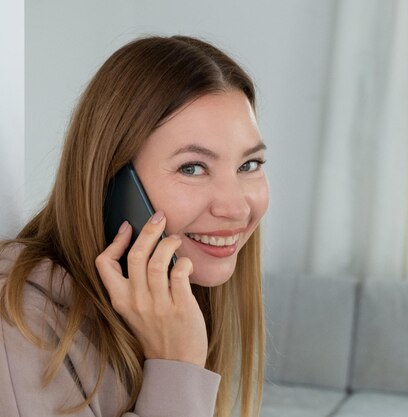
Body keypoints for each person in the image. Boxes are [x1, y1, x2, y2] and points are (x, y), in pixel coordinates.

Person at [0, 35, 269, 417]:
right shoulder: (21, 323)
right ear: (113, 184)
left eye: (249, 165)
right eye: (192, 168)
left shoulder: (175, 306)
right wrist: (177, 369)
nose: (235, 207)